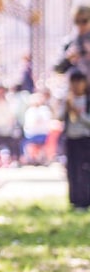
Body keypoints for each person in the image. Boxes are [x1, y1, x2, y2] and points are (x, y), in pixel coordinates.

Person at [61, 68, 90, 210]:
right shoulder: (68, 99)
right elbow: (60, 118)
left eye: (79, 82)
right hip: (71, 139)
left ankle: (85, 200)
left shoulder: (87, 100)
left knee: (84, 170)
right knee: (72, 170)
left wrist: (79, 115)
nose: (77, 85)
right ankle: (75, 200)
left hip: (85, 140)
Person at [55, 5, 90, 79]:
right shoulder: (70, 42)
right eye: (77, 21)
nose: (80, 25)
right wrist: (68, 59)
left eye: (84, 21)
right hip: (76, 88)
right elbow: (57, 69)